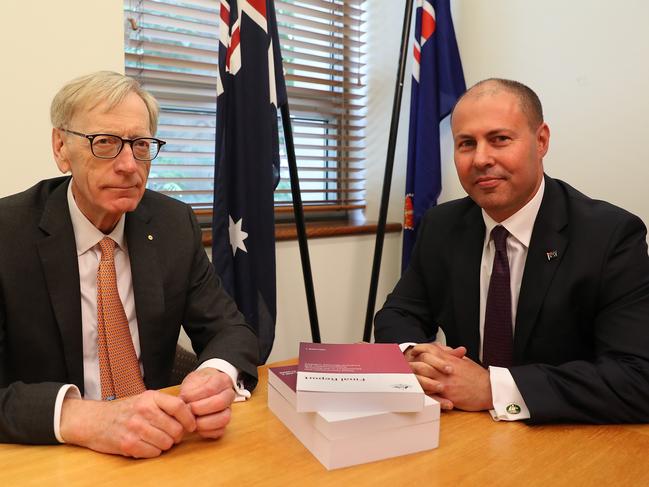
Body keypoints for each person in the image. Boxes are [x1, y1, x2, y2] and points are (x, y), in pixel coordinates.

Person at [0, 71, 259, 457]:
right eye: (104, 142)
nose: (128, 165)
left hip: (158, 446)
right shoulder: (9, 232)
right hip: (51, 455)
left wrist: (216, 375)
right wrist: (83, 418)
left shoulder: (172, 223)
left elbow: (230, 328)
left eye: (140, 144)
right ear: (60, 148)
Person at [375, 78, 649, 424]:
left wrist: (493, 388)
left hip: (565, 438)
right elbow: (398, 313)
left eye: (499, 139)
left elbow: (637, 378)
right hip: (466, 433)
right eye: (466, 144)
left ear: (541, 140)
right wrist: (414, 355)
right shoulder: (443, 225)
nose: (481, 159)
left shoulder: (610, 235)